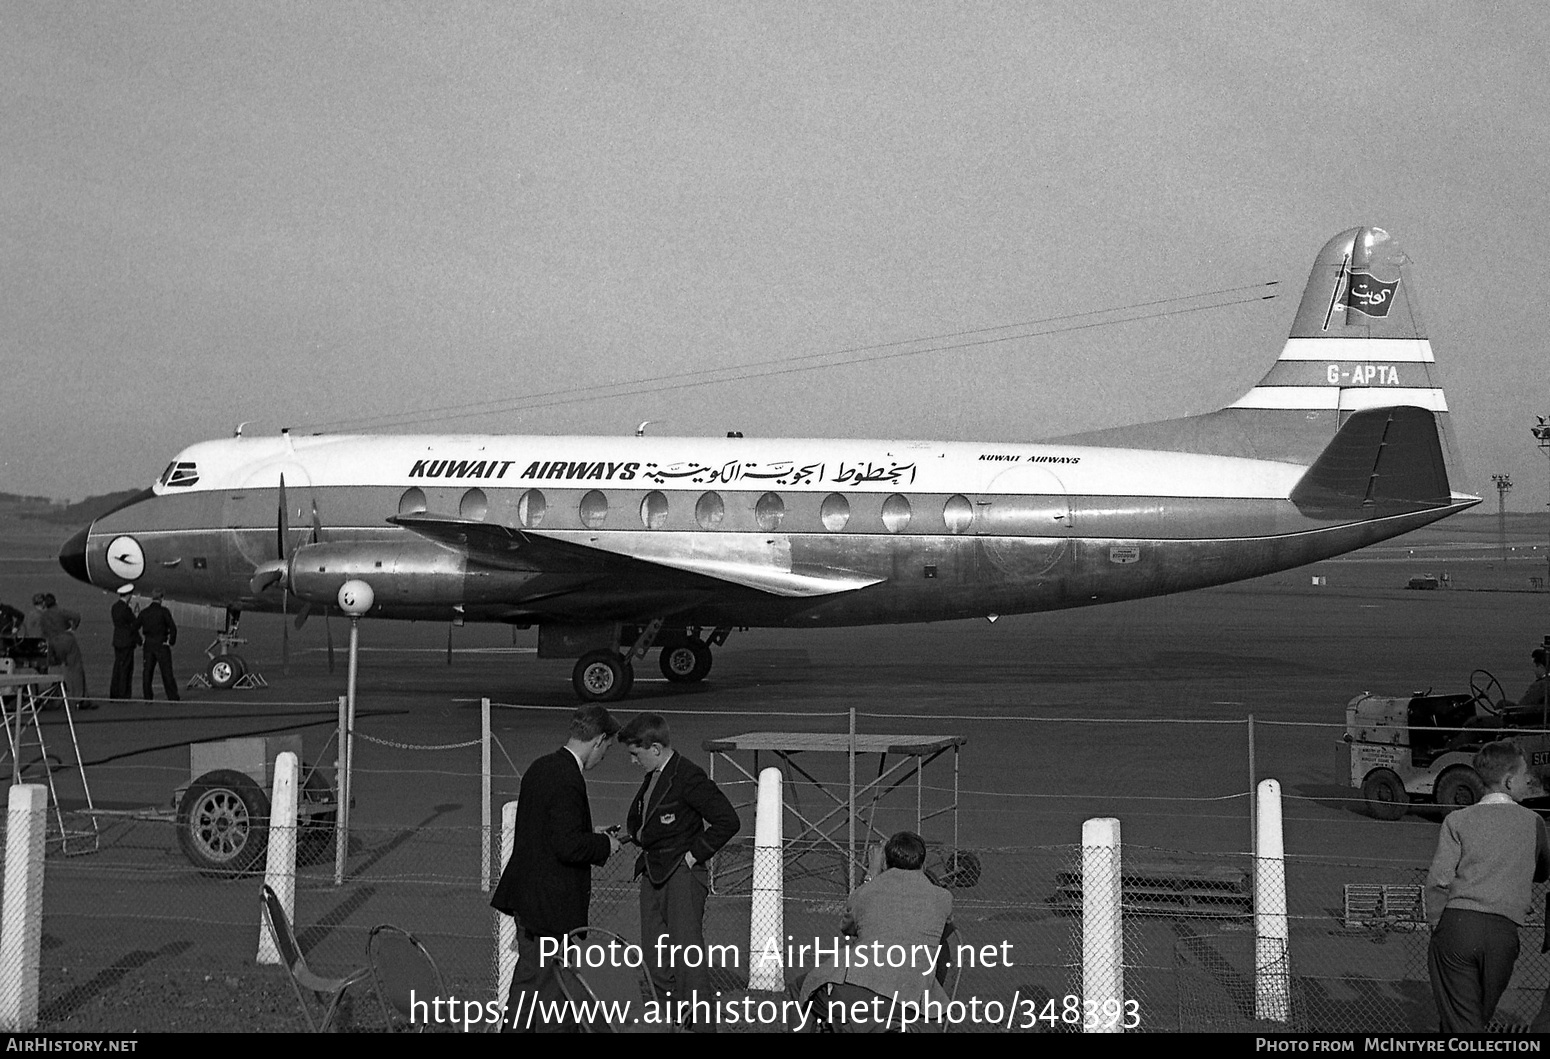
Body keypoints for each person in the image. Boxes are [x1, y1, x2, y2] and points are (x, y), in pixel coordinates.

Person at [491, 704, 622, 1032]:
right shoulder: (568, 779)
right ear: (599, 739)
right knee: (552, 992)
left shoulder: (541, 767)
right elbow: (566, 846)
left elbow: (547, 833)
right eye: (606, 749)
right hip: (552, 905)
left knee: (527, 988)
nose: (603, 757)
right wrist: (605, 845)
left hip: (527, 898)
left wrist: (590, 835)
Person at [618, 712, 740, 1030]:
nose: (633, 762)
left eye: (636, 754)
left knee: (688, 960)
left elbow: (728, 820)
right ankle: (674, 1023)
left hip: (681, 875)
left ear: (655, 748)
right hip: (653, 871)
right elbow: (648, 824)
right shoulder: (654, 776)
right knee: (656, 960)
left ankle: (701, 1027)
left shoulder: (688, 776)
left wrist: (693, 856)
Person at [1426, 740, 1550, 1032]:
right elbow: (1542, 871)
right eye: (1524, 775)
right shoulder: (1533, 823)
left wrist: (1437, 923)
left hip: (1457, 926)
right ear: (1508, 781)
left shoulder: (1458, 820)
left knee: (1460, 1021)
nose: (1529, 780)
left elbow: (1438, 880)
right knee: (1475, 1019)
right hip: (1503, 934)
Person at [799, 830, 953, 1031]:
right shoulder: (942, 899)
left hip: (858, 991)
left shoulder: (866, 892)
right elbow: (943, 928)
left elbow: (847, 928)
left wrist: (872, 874)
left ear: (885, 863)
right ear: (923, 864)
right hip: (912, 999)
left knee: (802, 988)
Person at [38, 593, 92, 710]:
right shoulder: (60, 611)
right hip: (66, 640)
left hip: (53, 643)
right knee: (76, 669)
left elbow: (43, 632)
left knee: (61, 669)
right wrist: (73, 628)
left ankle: (59, 694)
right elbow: (76, 616)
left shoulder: (43, 616)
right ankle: (80, 699)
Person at [138, 589, 180, 701]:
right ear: (161, 599)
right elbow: (173, 628)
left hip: (148, 644)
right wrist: (171, 641)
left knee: (147, 672)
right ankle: (172, 697)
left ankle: (147, 697)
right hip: (162, 644)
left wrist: (140, 641)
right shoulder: (164, 612)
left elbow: (134, 627)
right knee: (167, 673)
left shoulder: (144, 612)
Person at [109, 586, 141, 700]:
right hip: (127, 642)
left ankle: (114, 692)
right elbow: (133, 625)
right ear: (128, 595)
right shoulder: (126, 610)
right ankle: (124, 694)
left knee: (117, 667)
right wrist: (139, 640)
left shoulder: (115, 607)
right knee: (126, 669)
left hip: (117, 640)